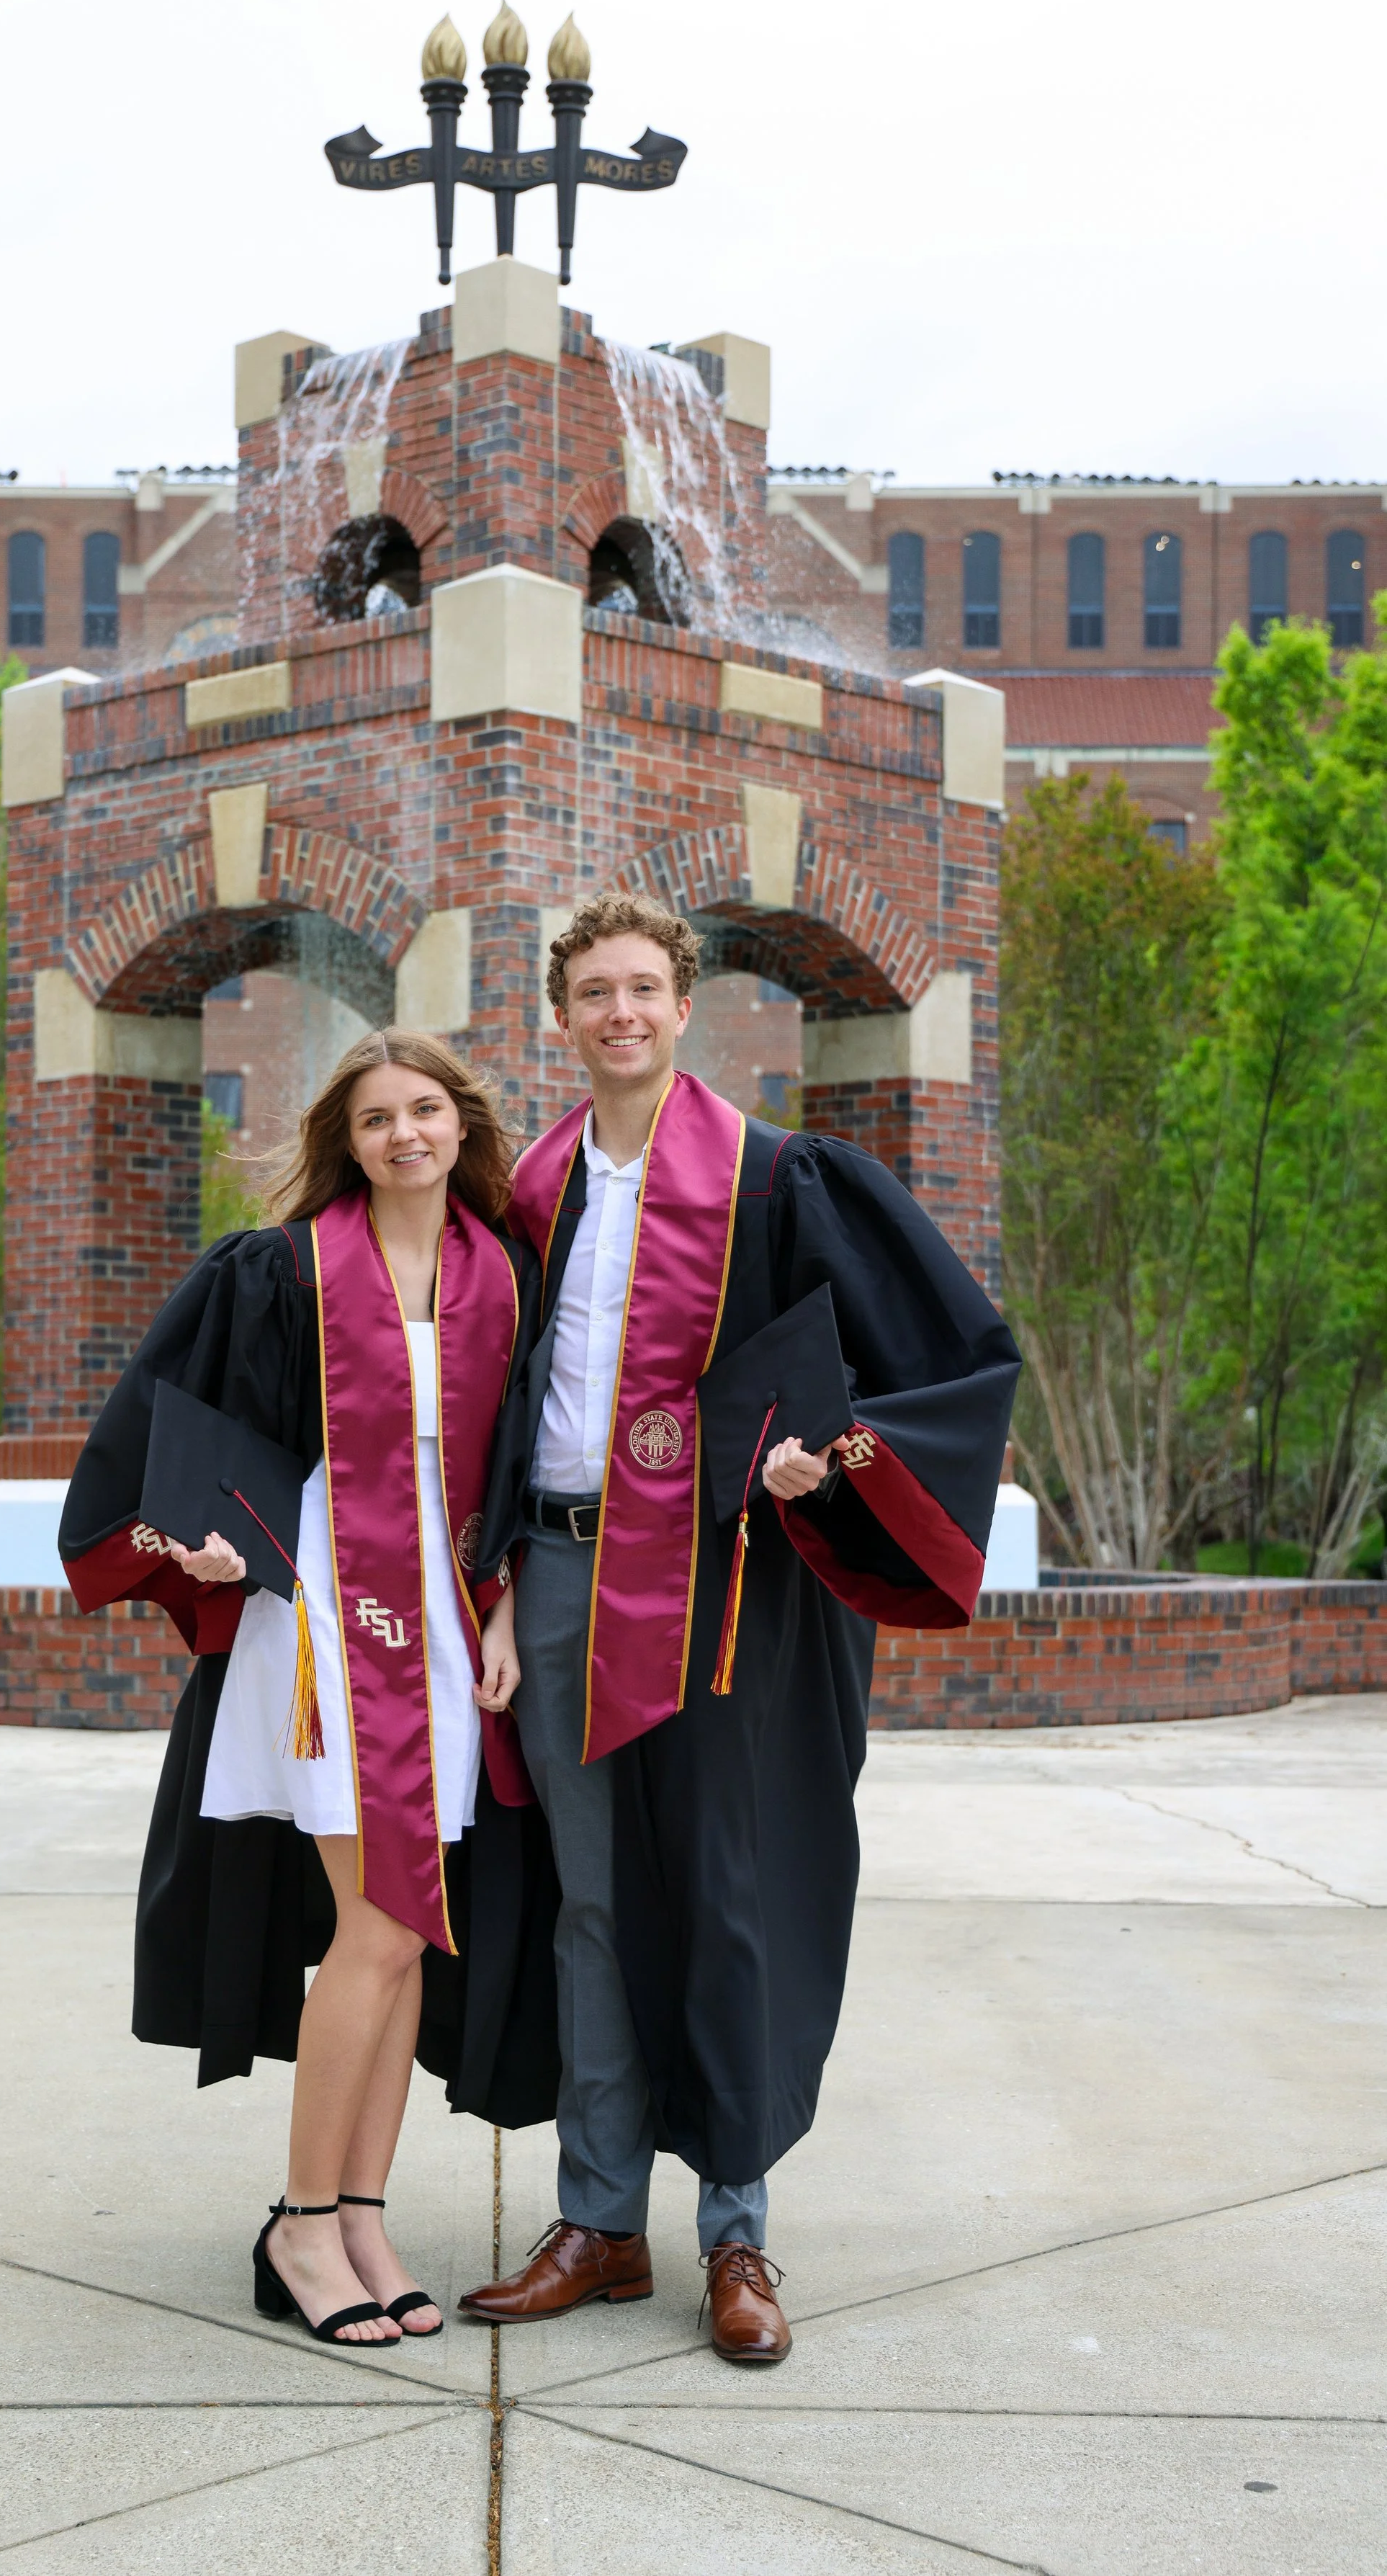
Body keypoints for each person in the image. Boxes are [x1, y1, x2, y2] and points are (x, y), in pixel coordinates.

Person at [456, 895, 1020, 2362]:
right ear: (558, 1015)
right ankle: (596, 2218)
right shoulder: (524, 1190)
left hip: (726, 1589)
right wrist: (499, 1580)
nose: (620, 1013)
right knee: (588, 1899)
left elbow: (933, 1355)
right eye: (593, 992)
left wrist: (823, 1456)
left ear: (682, 1002)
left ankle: (735, 2230)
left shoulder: (778, 1181)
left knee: (725, 1889)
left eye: (643, 987)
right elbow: (496, 1411)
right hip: (562, 1575)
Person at [58, 1032, 541, 2347]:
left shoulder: (500, 1275)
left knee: (410, 1931)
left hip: (439, 1623)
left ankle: (366, 2215)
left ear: (462, 1124)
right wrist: (198, 1535)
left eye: (426, 1109)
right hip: (326, 1622)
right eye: (377, 1117)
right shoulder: (277, 1272)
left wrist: (503, 1605)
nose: (405, 1135)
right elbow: (169, 1428)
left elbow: (504, 1477)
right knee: (377, 1926)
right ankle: (300, 2219)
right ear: (348, 1136)